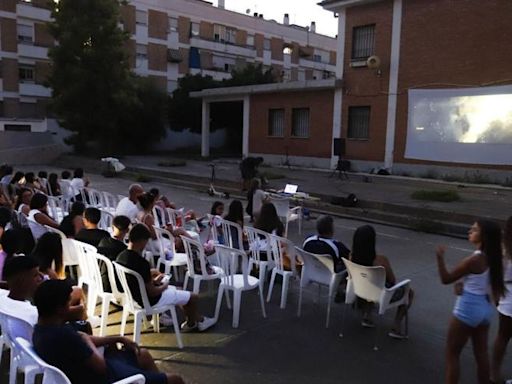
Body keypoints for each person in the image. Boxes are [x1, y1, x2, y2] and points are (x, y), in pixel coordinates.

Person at [32, 279, 185, 384]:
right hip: (106, 378)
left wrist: (117, 339)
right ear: (59, 309)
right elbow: (101, 367)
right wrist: (85, 338)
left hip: (88, 372)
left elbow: (82, 339)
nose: (71, 307)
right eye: (68, 303)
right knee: (176, 380)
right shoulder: (64, 336)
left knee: (142, 354)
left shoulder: (42, 329)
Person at [436, 220, 505, 384]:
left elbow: (446, 279)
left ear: (483, 236)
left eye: (474, 230)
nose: (470, 231)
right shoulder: (495, 258)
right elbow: (485, 283)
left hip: (467, 309)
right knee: (481, 354)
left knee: (452, 354)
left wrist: (439, 258)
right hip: (485, 310)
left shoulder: (473, 260)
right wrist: (462, 285)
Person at [116, 224, 215, 331]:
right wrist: (165, 285)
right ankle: (196, 322)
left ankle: (194, 321)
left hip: (133, 298)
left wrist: (154, 280)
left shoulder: (121, 256)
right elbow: (153, 292)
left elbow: (138, 280)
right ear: (141, 241)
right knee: (193, 297)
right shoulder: (142, 263)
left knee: (179, 291)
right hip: (149, 301)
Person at [350, 225, 414, 337]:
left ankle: (367, 315)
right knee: (409, 292)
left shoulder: (351, 257)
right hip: (379, 294)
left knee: (369, 284)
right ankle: (396, 325)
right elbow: (392, 280)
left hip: (360, 290)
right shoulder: (380, 260)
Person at [492, 216, 512, 383]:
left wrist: (496, 297)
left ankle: (494, 373)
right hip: (507, 294)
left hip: (507, 295)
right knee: (503, 336)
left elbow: (495, 276)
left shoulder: (503, 249)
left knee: (503, 336)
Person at [0, 255, 43, 326]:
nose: (40, 278)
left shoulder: (2, 297)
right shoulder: (34, 315)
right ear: (21, 280)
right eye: (35, 275)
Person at [97, 215, 130, 292]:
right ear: (127, 230)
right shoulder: (123, 249)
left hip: (100, 280)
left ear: (112, 227)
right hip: (115, 285)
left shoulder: (103, 241)